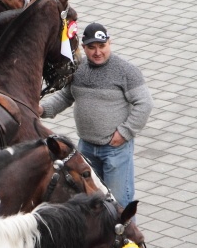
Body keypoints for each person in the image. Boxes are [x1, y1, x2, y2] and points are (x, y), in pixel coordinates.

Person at [39, 22, 153, 207]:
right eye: (91, 47)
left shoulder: (126, 71)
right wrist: (43, 110)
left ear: (110, 43)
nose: (97, 52)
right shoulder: (78, 69)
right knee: (90, 201)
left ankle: (125, 235)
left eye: (102, 46)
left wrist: (124, 133)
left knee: (118, 203)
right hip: (86, 148)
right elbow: (66, 96)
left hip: (116, 149)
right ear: (83, 47)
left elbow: (145, 103)